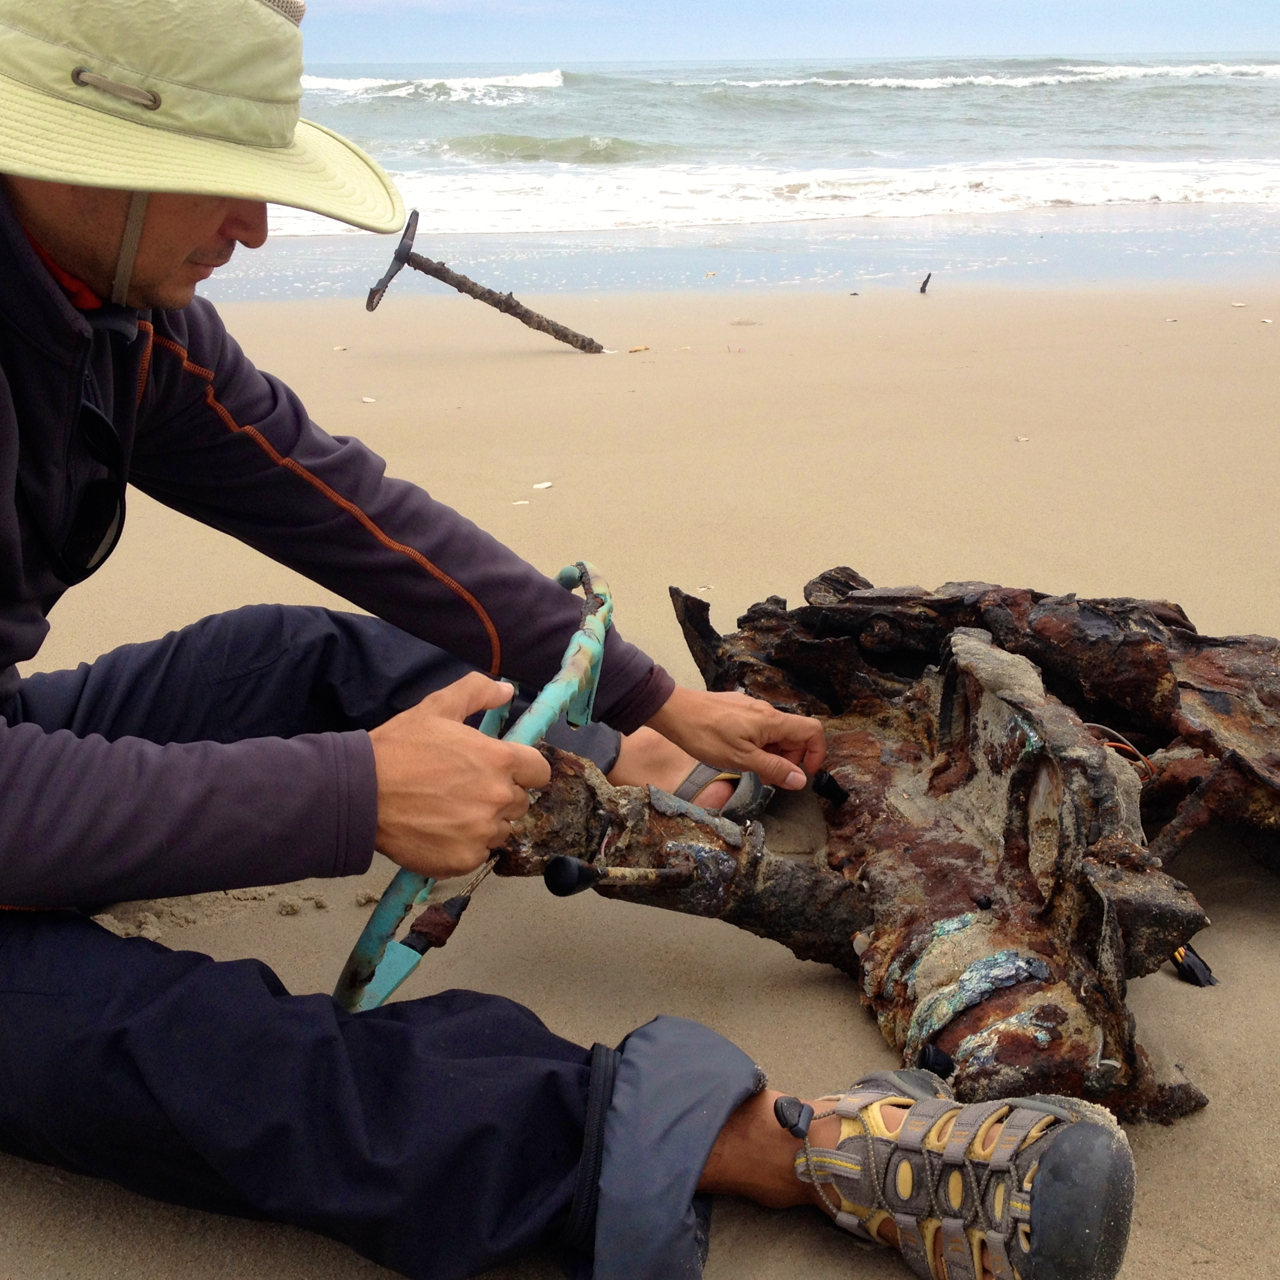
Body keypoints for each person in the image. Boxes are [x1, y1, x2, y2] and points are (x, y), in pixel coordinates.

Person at [0, 2, 1137, 1278]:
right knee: (143, 1038)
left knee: (286, 654)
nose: (256, 227)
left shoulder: (109, 312)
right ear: (66, 146)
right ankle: (772, 1144)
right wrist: (347, 792)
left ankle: (628, 784)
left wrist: (654, 698)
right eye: (222, 180)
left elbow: (348, 508)